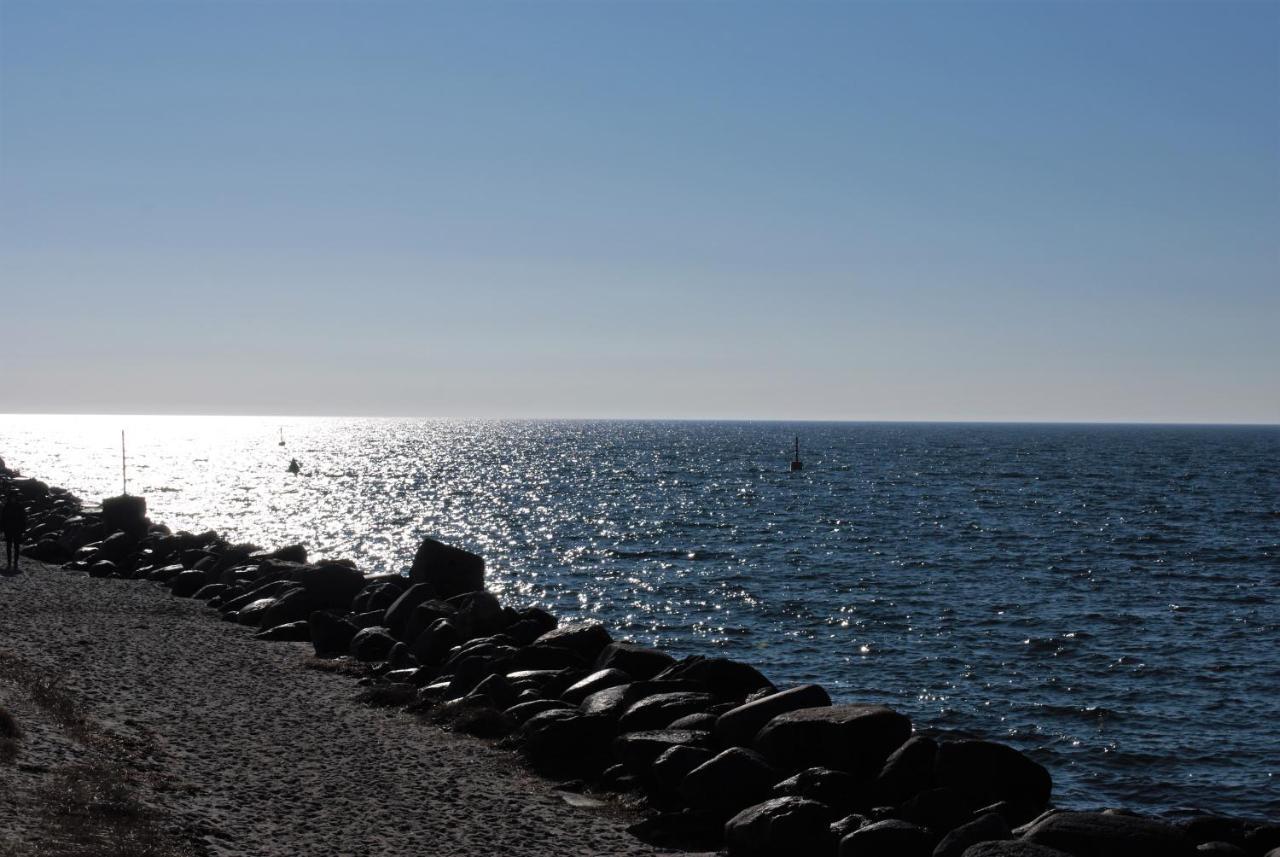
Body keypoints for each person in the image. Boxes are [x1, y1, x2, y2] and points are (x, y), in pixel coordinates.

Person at [1, 492, 26, 568]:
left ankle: (15, 562)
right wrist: (3, 528)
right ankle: (9, 563)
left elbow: (23, 519)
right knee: (9, 546)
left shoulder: (19, 506)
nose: (13, 499)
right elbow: (3, 519)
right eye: (12, 497)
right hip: (8, 529)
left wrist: (23, 529)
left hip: (17, 529)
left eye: (14, 497)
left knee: (16, 546)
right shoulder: (7, 506)